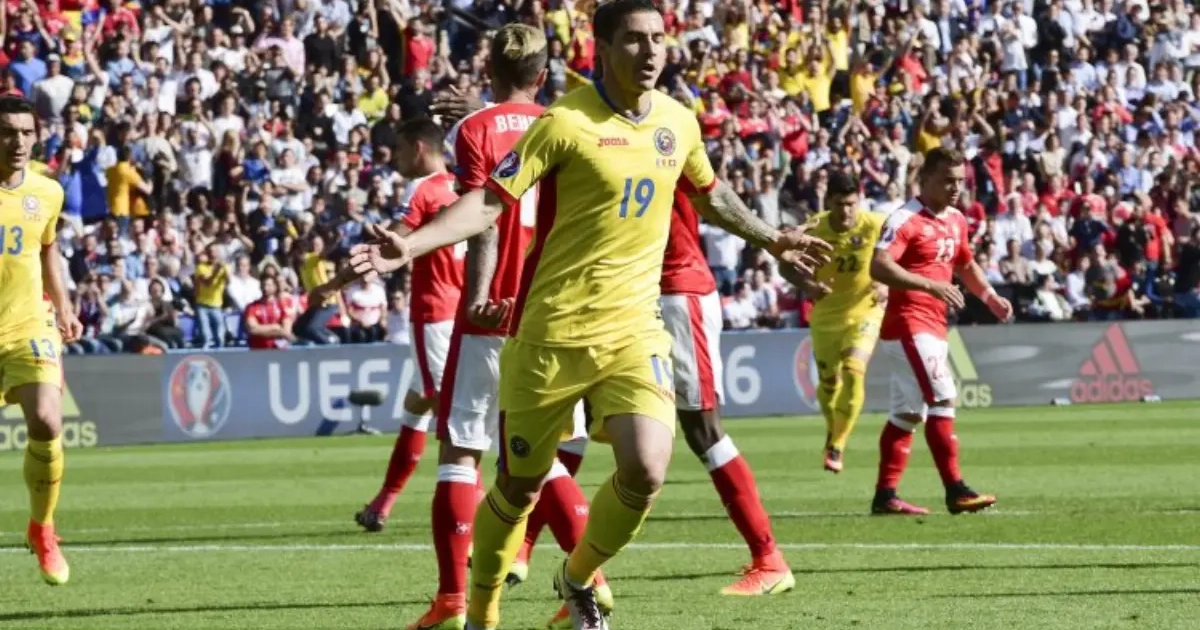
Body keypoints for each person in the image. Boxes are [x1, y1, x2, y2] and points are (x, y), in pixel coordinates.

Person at [347, 2, 828, 628]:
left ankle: (576, 578)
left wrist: (772, 238)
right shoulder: (563, 123)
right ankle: (483, 606)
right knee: (519, 485)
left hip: (633, 330)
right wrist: (410, 246)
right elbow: (489, 204)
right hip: (550, 334)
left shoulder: (678, 122)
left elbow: (712, 196)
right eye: (634, 39)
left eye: (658, 38)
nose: (650, 51)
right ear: (601, 47)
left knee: (647, 468)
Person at [869, 147, 1013, 515]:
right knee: (943, 398)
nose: (955, 188)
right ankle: (956, 490)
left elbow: (964, 263)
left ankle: (885, 496)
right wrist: (930, 285)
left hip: (932, 324)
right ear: (926, 179)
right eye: (948, 180)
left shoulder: (956, 219)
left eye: (960, 181)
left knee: (907, 413)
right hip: (908, 323)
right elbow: (879, 265)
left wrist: (990, 297)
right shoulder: (905, 219)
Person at [349, 118, 464, 532]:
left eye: (399, 150)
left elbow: (387, 248)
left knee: (451, 411)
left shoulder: (423, 189)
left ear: (418, 148)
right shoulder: (463, 186)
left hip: (434, 313)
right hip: (461, 310)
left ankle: (472, 510)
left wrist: (333, 283)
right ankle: (382, 504)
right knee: (418, 404)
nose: (395, 158)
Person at [0, 96, 83, 585]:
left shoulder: (47, 192)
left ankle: (43, 528)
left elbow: (47, 248)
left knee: (48, 419)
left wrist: (64, 305)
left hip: (29, 324)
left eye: (26, 133)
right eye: (8, 132)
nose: (18, 142)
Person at [797, 172, 887, 473]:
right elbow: (785, 264)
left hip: (865, 311)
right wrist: (807, 285)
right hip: (825, 316)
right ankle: (833, 428)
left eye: (851, 204)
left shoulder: (875, 224)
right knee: (828, 383)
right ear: (828, 202)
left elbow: (904, 253)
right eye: (840, 204)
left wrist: (887, 284)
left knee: (853, 370)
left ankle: (837, 444)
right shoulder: (814, 227)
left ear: (859, 201)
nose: (846, 211)